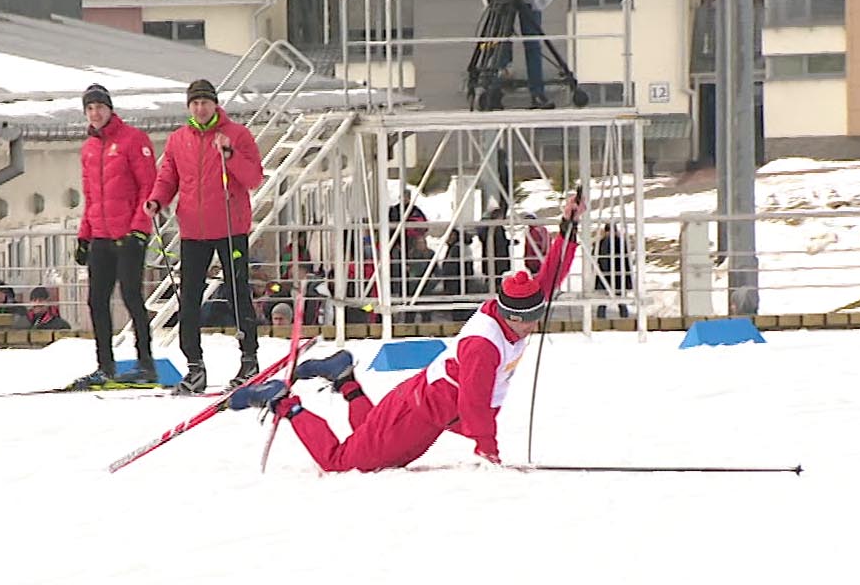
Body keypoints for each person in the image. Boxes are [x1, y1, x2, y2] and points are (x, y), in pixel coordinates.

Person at [232, 195, 585, 471]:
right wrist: (488, 451)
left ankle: (345, 381)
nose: (534, 324)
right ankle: (284, 402)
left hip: (422, 405)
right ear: (511, 315)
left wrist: (569, 226)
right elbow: (473, 403)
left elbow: (548, 280)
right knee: (341, 461)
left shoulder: (511, 312)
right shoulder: (484, 346)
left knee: (371, 436)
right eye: (530, 319)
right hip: (420, 415)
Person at [146, 77, 266, 394]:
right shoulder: (178, 140)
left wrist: (230, 156)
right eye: (195, 103)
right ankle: (194, 366)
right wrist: (157, 200)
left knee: (238, 293)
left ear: (215, 104)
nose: (200, 108)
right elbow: (168, 176)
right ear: (189, 107)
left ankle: (249, 359)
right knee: (188, 299)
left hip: (230, 227)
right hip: (193, 230)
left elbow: (254, 178)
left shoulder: (236, 135)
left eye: (205, 102)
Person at [74, 83, 158, 388]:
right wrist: (85, 235)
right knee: (97, 300)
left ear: (110, 109)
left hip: (128, 234)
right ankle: (105, 365)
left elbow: (148, 187)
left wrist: (139, 228)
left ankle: (145, 363)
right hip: (100, 235)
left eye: (100, 107)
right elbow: (91, 197)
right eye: (90, 108)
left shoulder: (133, 140)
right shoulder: (89, 148)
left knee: (132, 297)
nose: (95, 113)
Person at [594, 224, 634, 319]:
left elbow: (596, 261)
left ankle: (601, 321)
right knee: (621, 301)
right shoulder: (621, 243)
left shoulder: (600, 243)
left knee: (603, 302)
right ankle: (624, 320)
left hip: (604, 276)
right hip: (619, 277)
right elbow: (627, 262)